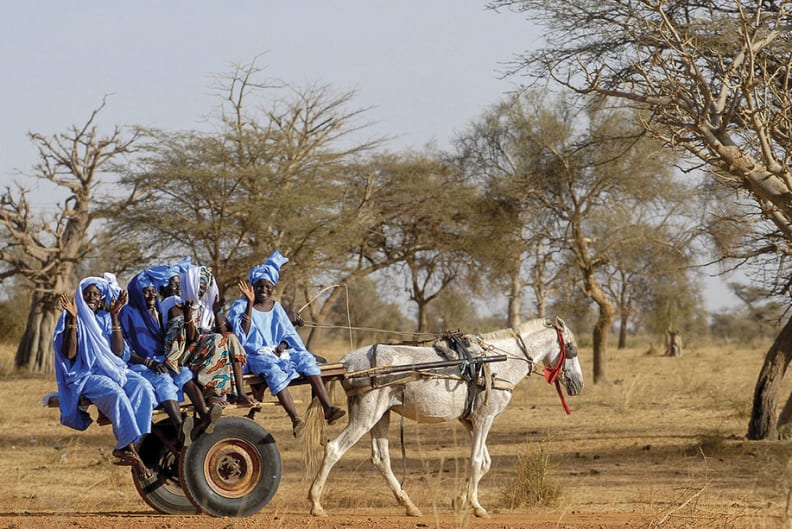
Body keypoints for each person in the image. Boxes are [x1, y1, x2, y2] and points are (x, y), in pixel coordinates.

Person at [227, 250, 345, 437]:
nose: (264, 290)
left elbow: (287, 334)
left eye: (268, 286)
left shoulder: (276, 307)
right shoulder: (240, 306)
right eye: (259, 286)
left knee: (307, 359)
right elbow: (243, 335)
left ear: (273, 287)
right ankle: (295, 419)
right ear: (253, 287)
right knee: (272, 370)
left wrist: (282, 345)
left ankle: (328, 408)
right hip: (255, 355)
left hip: (279, 352)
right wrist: (249, 303)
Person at [53, 274, 156, 475]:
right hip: (86, 373)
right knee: (115, 394)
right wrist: (73, 319)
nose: (91, 297)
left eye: (96, 294)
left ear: (101, 298)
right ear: (81, 297)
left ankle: (138, 444)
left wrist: (115, 316)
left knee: (142, 386)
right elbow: (70, 353)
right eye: (87, 294)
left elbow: (118, 352)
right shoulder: (72, 317)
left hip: (113, 368)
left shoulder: (106, 317)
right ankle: (125, 446)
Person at [118, 270, 222, 445]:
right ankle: (181, 427)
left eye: (153, 291)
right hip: (141, 364)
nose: (151, 295)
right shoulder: (127, 314)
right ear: (137, 294)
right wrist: (149, 363)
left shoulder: (157, 310)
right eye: (146, 291)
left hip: (162, 359)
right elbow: (123, 351)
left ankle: (205, 416)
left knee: (184, 373)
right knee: (164, 380)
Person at [161, 264, 256, 408]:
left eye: (204, 287)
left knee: (231, 338)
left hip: (206, 351)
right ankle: (211, 394)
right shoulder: (176, 309)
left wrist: (216, 312)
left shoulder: (205, 309)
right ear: (190, 284)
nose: (202, 290)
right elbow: (189, 339)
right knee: (216, 339)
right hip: (184, 355)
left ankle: (240, 392)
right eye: (199, 285)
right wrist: (188, 317)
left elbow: (224, 333)